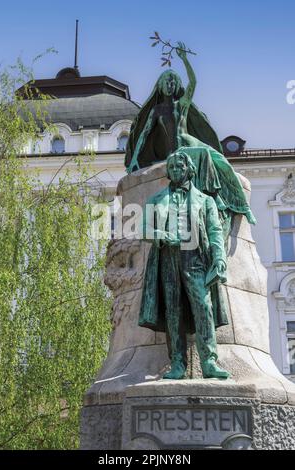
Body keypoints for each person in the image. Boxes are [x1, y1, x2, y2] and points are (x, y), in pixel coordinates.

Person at [125, 42, 256, 227]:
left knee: (223, 163)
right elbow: (144, 135)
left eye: (173, 81)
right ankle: (216, 197)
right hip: (178, 152)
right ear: (160, 86)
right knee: (204, 156)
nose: (169, 84)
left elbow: (193, 83)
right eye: (166, 82)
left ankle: (243, 206)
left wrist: (184, 59)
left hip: (190, 142)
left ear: (177, 85)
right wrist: (134, 160)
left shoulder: (182, 104)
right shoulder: (157, 111)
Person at [139, 150, 230, 380]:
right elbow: (144, 229)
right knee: (173, 311)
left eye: (180, 167)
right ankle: (177, 363)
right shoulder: (156, 199)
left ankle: (209, 361)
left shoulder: (205, 200)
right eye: (172, 168)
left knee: (204, 306)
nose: (176, 171)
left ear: (189, 169)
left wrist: (219, 258)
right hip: (168, 258)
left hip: (196, 257)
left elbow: (215, 231)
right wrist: (160, 234)